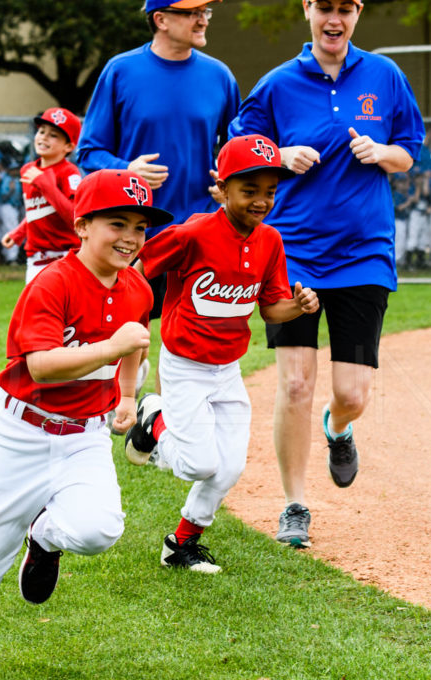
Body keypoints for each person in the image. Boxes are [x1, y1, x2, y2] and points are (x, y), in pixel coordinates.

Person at [0, 169, 165, 672]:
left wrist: (127, 394)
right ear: (81, 225)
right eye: (117, 223)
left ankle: (44, 538)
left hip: (85, 434)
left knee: (99, 529)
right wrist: (111, 348)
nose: (130, 237)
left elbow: (135, 344)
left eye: (139, 227)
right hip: (21, 430)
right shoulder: (52, 282)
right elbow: (40, 366)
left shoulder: (137, 288)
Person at [229, 0, 425, 548]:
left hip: (364, 251)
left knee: (353, 392)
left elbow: (410, 151)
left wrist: (382, 151)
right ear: (307, 11)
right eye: (324, 8)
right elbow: (239, 148)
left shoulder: (385, 76)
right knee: (294, 382)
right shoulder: (277, 84)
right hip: (292, 251)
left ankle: (338, 426)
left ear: (356, 12)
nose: (333, 19)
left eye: (344, 8)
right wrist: (280, 152)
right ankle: (295, 503)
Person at [124, 135, 319, 573]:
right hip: (185, 363)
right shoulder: (194, 232)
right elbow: (142, 267)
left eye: (270, 191)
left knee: (228, 468)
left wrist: (299, 306)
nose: (261, 201)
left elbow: (271, 307)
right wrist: (130, 314)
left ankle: (181, 545)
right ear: (222, 188)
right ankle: (154, 418)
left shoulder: (270, 241)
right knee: (198, 463)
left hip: (228, 368)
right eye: (249, 190)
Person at [76, 0, 241, 372]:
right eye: (191, 12)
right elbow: (89, 151)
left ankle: (167, 425)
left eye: (206, 12)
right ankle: (126, 409)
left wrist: (227, 186)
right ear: (161, 19)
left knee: (187, 349)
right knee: (118, 340)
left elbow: (236, 152)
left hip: (196, 233)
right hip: (132, 237)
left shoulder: (220, 76)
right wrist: (126, 169)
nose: (202, 19)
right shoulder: (121, 70)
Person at [2, 108, 83, 282]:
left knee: (66, 309)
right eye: (41, 131)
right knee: (35, 309)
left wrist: (46, 185)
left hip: (66, 258)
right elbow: (36, 211)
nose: (44, 137)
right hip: (35, 260)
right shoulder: (28, 170)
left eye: (54, 135)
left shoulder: (69, 173)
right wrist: (19, 232)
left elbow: (75, 218)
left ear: (68, 146)